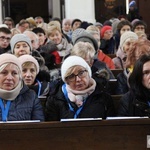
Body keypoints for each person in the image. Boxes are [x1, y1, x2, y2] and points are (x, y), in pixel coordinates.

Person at [45, 56, 115, 121]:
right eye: (71, 76)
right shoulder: (55, 99)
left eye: (81, 73)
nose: (78, 79)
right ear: (66, 81)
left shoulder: (103, 97)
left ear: (88, 73)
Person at [0, 53, 44, 121]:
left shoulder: (31, 96)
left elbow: (38, 127)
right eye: (4, 73)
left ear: (19, 76)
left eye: (14, 73)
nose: (9, 78)